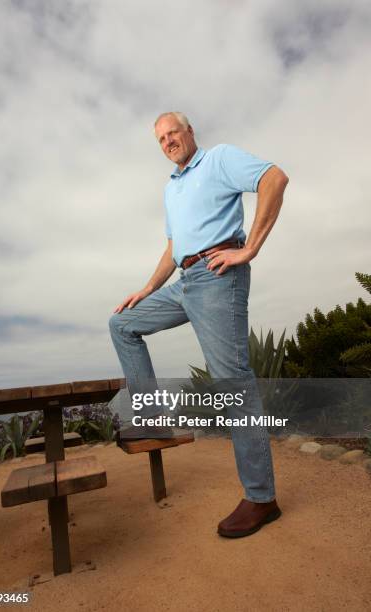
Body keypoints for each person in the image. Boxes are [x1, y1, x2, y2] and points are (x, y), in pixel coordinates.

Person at [109, 111, 289, 538]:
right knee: (122, 325)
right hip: (184, 280)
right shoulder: (172, 189)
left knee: (233, 381)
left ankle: (262, 498)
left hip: (217, 274)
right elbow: (173, 249)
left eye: (174, 133)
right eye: (161, 139)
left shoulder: (219, 159)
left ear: (191, 133)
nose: (169, 141)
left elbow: (275, 179)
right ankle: (151, 416)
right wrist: (148, 289)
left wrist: (250, 250)